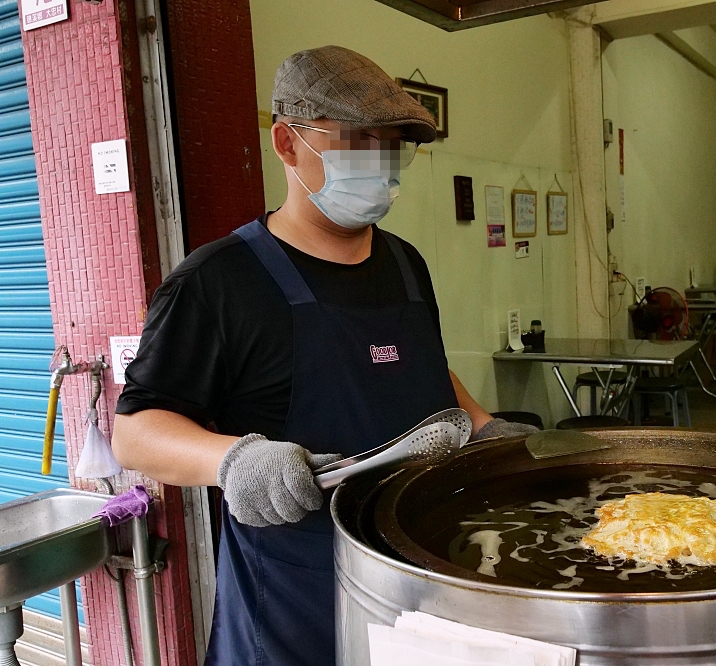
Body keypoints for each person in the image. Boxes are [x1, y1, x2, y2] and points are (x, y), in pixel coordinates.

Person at [111, 45, 536, 665]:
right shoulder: (217, 282)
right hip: (294, 602)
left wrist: (479, 425)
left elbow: (421, 366)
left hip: (418, 578)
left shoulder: (405, 263)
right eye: (358, 142)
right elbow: (135, 432)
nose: (382, 163)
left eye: (392, 145)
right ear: (287, 144)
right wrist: (235, 460)